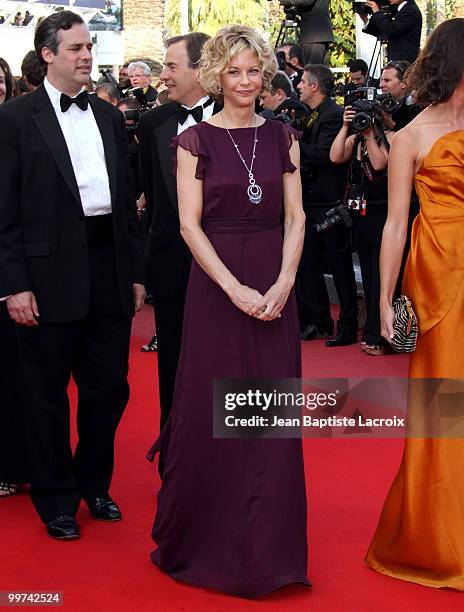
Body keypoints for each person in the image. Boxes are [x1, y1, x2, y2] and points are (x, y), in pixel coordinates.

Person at [147, 24, 309, 598]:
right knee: (213, 409)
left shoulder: (284, 136)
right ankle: (208, 544)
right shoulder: (194, 141)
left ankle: (271, 553)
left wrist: (286, 279)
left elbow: (296, 217)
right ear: (217, 74)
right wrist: (235, 289)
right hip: (217, 287)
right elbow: (189, 226)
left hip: (275, 284)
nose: (246, 81)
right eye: (235, 71)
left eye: (255, 71)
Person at [0, 11, 145, 539]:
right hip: (44, 276)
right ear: (48, 54)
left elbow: (126, 204)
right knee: (46, 395)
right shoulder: (15, 119)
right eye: (76, 48)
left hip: (108, 268)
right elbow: (4, 209)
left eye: (89, 47)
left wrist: (133, 272)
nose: (87, 56)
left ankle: (94, 483)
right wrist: (13, 283)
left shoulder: (108, 117)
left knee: (108, 390)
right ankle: (56, 496)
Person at [365, 18, 464, 589]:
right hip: (438, 274)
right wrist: (382, 297)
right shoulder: (411, 136)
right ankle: (439, 537)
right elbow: (395, 223)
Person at [138, 33, 222, 475]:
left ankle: (230, 465)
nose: (163, 75)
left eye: (170, 67)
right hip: (172, 266)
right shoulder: (154, 124)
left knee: (227, 368)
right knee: (172, 369)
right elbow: (154, 200)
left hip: (232, 267)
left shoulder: (243, 119)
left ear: (200, 69)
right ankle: (174, 465)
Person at [297, 64, 358, 345]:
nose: (297, 85)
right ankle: (320, 321)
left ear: (314, 86)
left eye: (301, 81)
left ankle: (347, 326)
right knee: (307, 263)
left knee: (339, 266)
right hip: (312, 203)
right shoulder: (315, 114)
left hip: (330, 204)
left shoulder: (333, 115)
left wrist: (293, 142)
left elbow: (323, 156)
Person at [330, 103, 394, 355]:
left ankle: (382, 335)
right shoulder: (355, 139)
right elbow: (335, 156)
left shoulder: (390, 138)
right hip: (362, 218)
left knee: (382, 279)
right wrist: (346, 126)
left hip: (383, 215)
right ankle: (371, 331)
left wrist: (369, 134)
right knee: (368, 278)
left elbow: (379, 164)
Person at [0, 57, 28, 498]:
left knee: (11, 371)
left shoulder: (17, 128)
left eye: (0, 80)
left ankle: (11, 462)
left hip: (9, 262)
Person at [361, 0, 422, 64]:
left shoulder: (411, 10)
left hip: (404, 61)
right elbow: (384, 31)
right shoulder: (398, 9)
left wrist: (377, 12)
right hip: (396, 60)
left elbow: (391, 30)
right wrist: (365, 20)